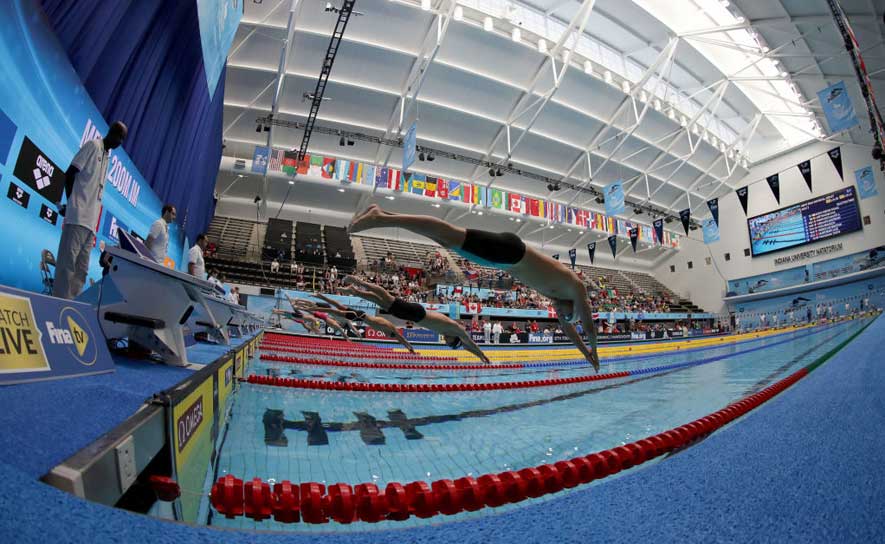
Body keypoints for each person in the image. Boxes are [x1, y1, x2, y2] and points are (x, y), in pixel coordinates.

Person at [349, 205, 599, 371]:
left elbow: (572, 332)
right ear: (576, 307)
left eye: (563, 316)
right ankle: (380, 217)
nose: (560, 313)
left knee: (445, 240)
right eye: (566, 314)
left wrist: (585, 354)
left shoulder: (558, 299)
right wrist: (595, 349)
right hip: (512, 252)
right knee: (450, 235)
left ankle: (386, 214)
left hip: (503, 261)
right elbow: (587, 327)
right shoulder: (575, 287)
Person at [53, 121, 127, 299]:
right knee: (67, 266)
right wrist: (71, 203)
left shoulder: (107, 157)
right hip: (77, 217)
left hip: (90, 224)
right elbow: (70, 173)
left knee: (82, 270)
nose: (120, 142)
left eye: (123, 139)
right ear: (111, 133)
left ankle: (70, 306)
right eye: (120, 137)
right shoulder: (93, 146)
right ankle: (57, 305)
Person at [340, 276, 491, 363]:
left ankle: (355, 291)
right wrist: (483, 356)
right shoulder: (456, 329)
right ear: (455, 339)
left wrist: (479, 358)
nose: (445, 341)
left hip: (412, 316)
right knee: (387, 298)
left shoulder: (448, 332)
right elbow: (469, 344)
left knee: (383, 303)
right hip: (417, 313)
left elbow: (466, 347)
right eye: (449, 342)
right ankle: (358, 282)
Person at [310, 293, 417, 353]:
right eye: (391, 335)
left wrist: (409, 348)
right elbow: (402, 339)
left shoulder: (388, 329)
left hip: (360, 316)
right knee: (335, 310)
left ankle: (321, 297)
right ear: (393, 332)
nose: (389, 336)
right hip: (359, 316)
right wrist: (410, 348)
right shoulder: (388, 326)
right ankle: (317, 303)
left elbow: (401, 340)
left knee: (338, 307)